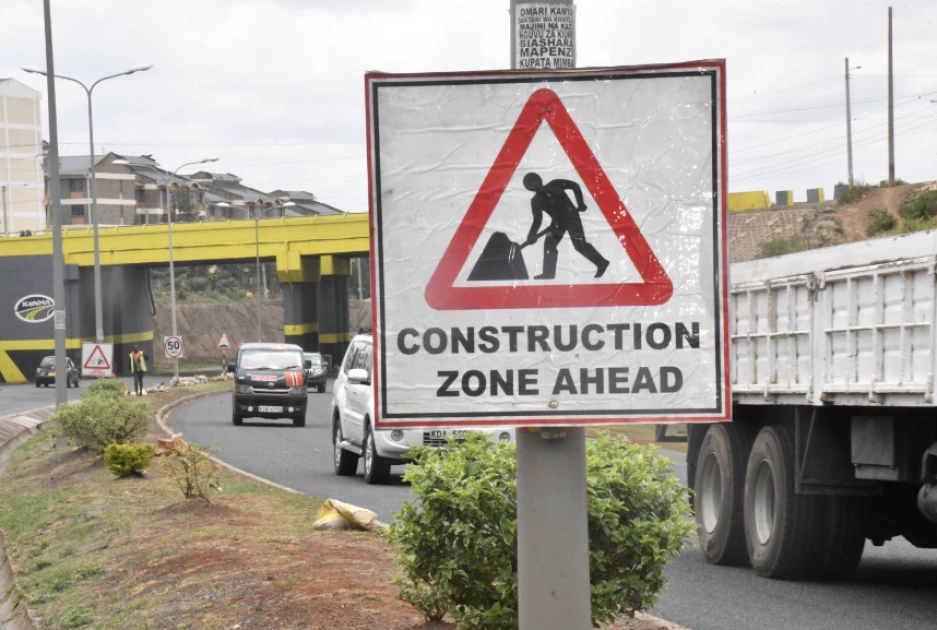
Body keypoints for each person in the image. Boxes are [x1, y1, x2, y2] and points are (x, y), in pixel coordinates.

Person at [523, 173, 609, 279]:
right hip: (557, 224)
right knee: (549, 244)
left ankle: (602, 262)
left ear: (539, 180)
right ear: (531, 188)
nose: (536, 186)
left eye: (535, 182)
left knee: (579, 244)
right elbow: (537, 220)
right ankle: (548, 273)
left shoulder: (554, 184)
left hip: (571, 217)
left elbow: (575, 186)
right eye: (532, 185)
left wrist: (580, 203)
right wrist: (532, 235)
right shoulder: (535, 201)